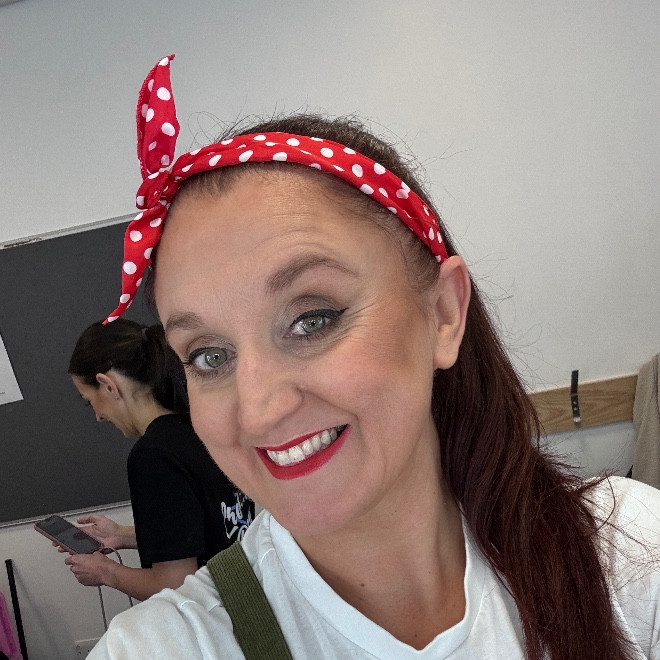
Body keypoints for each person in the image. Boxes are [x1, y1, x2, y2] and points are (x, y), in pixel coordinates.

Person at [89, 55, 660, 659]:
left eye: (312, 319)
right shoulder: (165, 647)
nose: (257, 411)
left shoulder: (630, 555)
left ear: (444, 313)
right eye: (208, 356)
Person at [65, 318, 254, 601]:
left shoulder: (153, 456)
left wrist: (105, 572)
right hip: (249, 600)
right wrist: (121, 536)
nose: (98, 416)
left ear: (108, 385)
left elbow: (175, 585)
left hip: (217, 616)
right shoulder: (199, 429)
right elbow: (207, 530)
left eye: (88, 399)